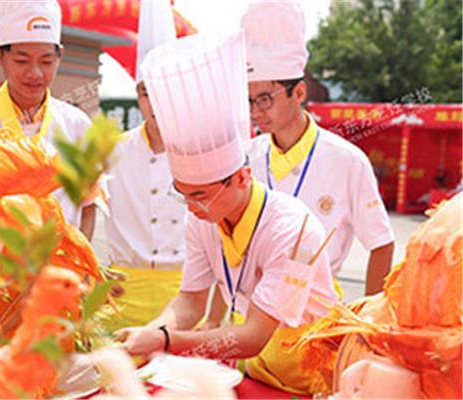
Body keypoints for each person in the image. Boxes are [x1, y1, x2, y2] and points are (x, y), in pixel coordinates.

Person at [117, 30, 338, 395]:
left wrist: (165, 341)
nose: (191, 208)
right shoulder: (200, 217)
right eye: (183, 195)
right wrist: (152, 332)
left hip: (308, 378)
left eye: (200, 195)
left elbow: (252, 336)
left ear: (241, 177)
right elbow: (190, 301)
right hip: (253, 369)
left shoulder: (295, 230)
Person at [243, 2, 394, 295]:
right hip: (250, 312)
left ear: (299, 93)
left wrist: (367, 322)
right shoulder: (247, 159)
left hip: (315, 314)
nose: (255, 111)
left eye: (264, 99)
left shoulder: (347, 161)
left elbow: (381, 244)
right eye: (249, 101)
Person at [0, 0, 98, 238]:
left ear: (60, 57)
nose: (35, 73)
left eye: (46, 61)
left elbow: (88, 205)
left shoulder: (77, 127)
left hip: (57, 270)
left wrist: (81, 266)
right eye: (22, 61)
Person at [101, 0, 186, 331]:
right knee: (114, 376)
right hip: (123, 290)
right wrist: (92, 270)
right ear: (138, 95)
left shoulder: (199, 153)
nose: (156, 103)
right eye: (147, 93)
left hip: (184, 295)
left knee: (179, 380)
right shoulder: (112, 150)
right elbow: (78, 207)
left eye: (165, 91)